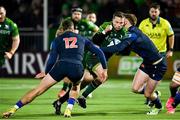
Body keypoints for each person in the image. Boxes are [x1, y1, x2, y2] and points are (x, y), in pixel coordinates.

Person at [2, 19, 107, 118]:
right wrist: (105, 69)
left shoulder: (56, 40)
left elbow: (52, 59)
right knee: (76, 86)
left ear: (62, 28)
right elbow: (99, 52)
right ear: (73, 28)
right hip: (77, 66)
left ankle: (13, 109)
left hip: (61, 65)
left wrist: (46, 72)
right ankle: (69, 108)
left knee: (38, 90)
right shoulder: (83, 39)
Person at [52, 11, 127, 114]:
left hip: (102, 59)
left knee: (79, 85)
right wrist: (105, 32)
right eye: (116, 22)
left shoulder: (124, 33)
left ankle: (59, 102)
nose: (118, 25)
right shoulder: (106, 25)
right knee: (102, 76)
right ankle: (83, 97)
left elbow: (123, 50)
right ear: (112, 20)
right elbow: (95, 40)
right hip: (93, 56)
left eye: (121, 23)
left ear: (124, 23)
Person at [100, 13, 167, 115]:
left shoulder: (133, 34)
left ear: (126, 22)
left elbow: (119, 48)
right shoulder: (130, 33)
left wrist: (99, 49)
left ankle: (158, 106)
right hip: (147, 63)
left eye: (122, 21)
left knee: (147, 94)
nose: (120, 23)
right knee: (135, 89)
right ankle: (154, 94)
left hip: (158, 65)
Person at [56, 7, 99, 98]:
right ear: (72, 15)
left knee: (80, 71)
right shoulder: (66, 22)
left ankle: (74, 88)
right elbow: (58, 33)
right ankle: (64, 89)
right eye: (75, 14)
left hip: (81, 51)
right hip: (69, 49)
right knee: (69, 68)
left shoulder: (85, 23)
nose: (77, 16)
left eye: (79, 14)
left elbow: (97, 30)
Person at [139, 2, 174, 106]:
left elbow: (171, 35)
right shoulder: (143, 23)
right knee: (147, 77)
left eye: (155, 11)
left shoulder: (165, 23)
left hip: (160, 54)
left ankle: (151, 95)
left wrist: (171, 49)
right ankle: (152, 94)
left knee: (156, 76)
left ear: (159, 12)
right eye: (152, 11)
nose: (153, 13)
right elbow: (139, 38)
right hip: (147, 54)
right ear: (149, 12)